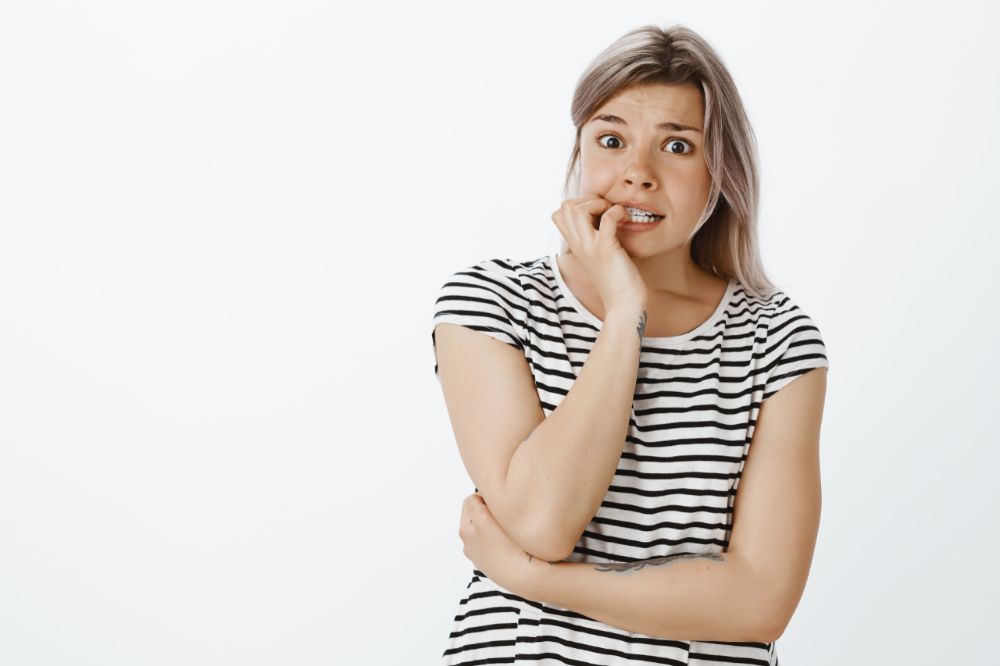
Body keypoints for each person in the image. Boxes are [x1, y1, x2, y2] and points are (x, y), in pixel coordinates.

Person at [431, 22, 828, 666]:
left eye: (677, 146)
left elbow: (761, 601)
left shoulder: (776, 340)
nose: (637, 174)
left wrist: (534, 580)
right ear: (580, 153)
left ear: (719, 171)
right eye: (611, 140)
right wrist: (623, 314)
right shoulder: (490, 303)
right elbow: (543, 520)